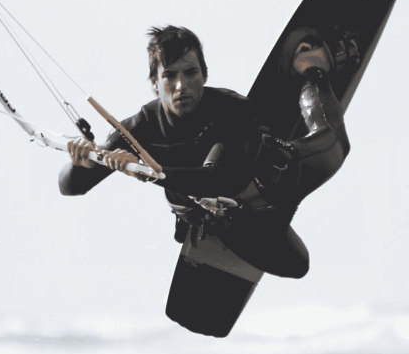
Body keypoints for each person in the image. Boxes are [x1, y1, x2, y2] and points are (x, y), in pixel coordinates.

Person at [60, 25, 352, 280]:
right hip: (239, 214)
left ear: (204, 75)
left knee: (335, 145)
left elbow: (218, 177)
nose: (180, 86)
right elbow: (71, 187)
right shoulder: (138, 129)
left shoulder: (232, 110)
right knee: (297, 265)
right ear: (154, 83)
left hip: (279, 176)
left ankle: (312, 67)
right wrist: (80, 163)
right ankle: (217, 221)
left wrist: (150, 172)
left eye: (190, 73)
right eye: (169, 75)